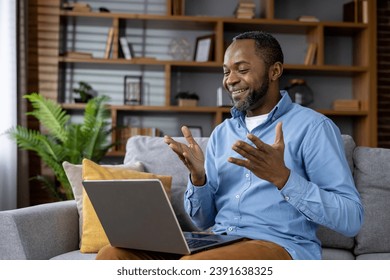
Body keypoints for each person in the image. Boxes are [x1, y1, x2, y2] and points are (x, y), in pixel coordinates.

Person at [96, 31, 364, 260]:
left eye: (242, 69)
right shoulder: (222, 133)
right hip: (219, 241)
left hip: (279, 246)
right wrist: (198, 179)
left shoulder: (314, 128)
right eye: (226, 72)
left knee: (196, 268)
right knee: (113, 256)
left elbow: (351, 220)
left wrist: (283, 178)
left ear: (275, 71)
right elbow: (203, 221)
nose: (230, 79)